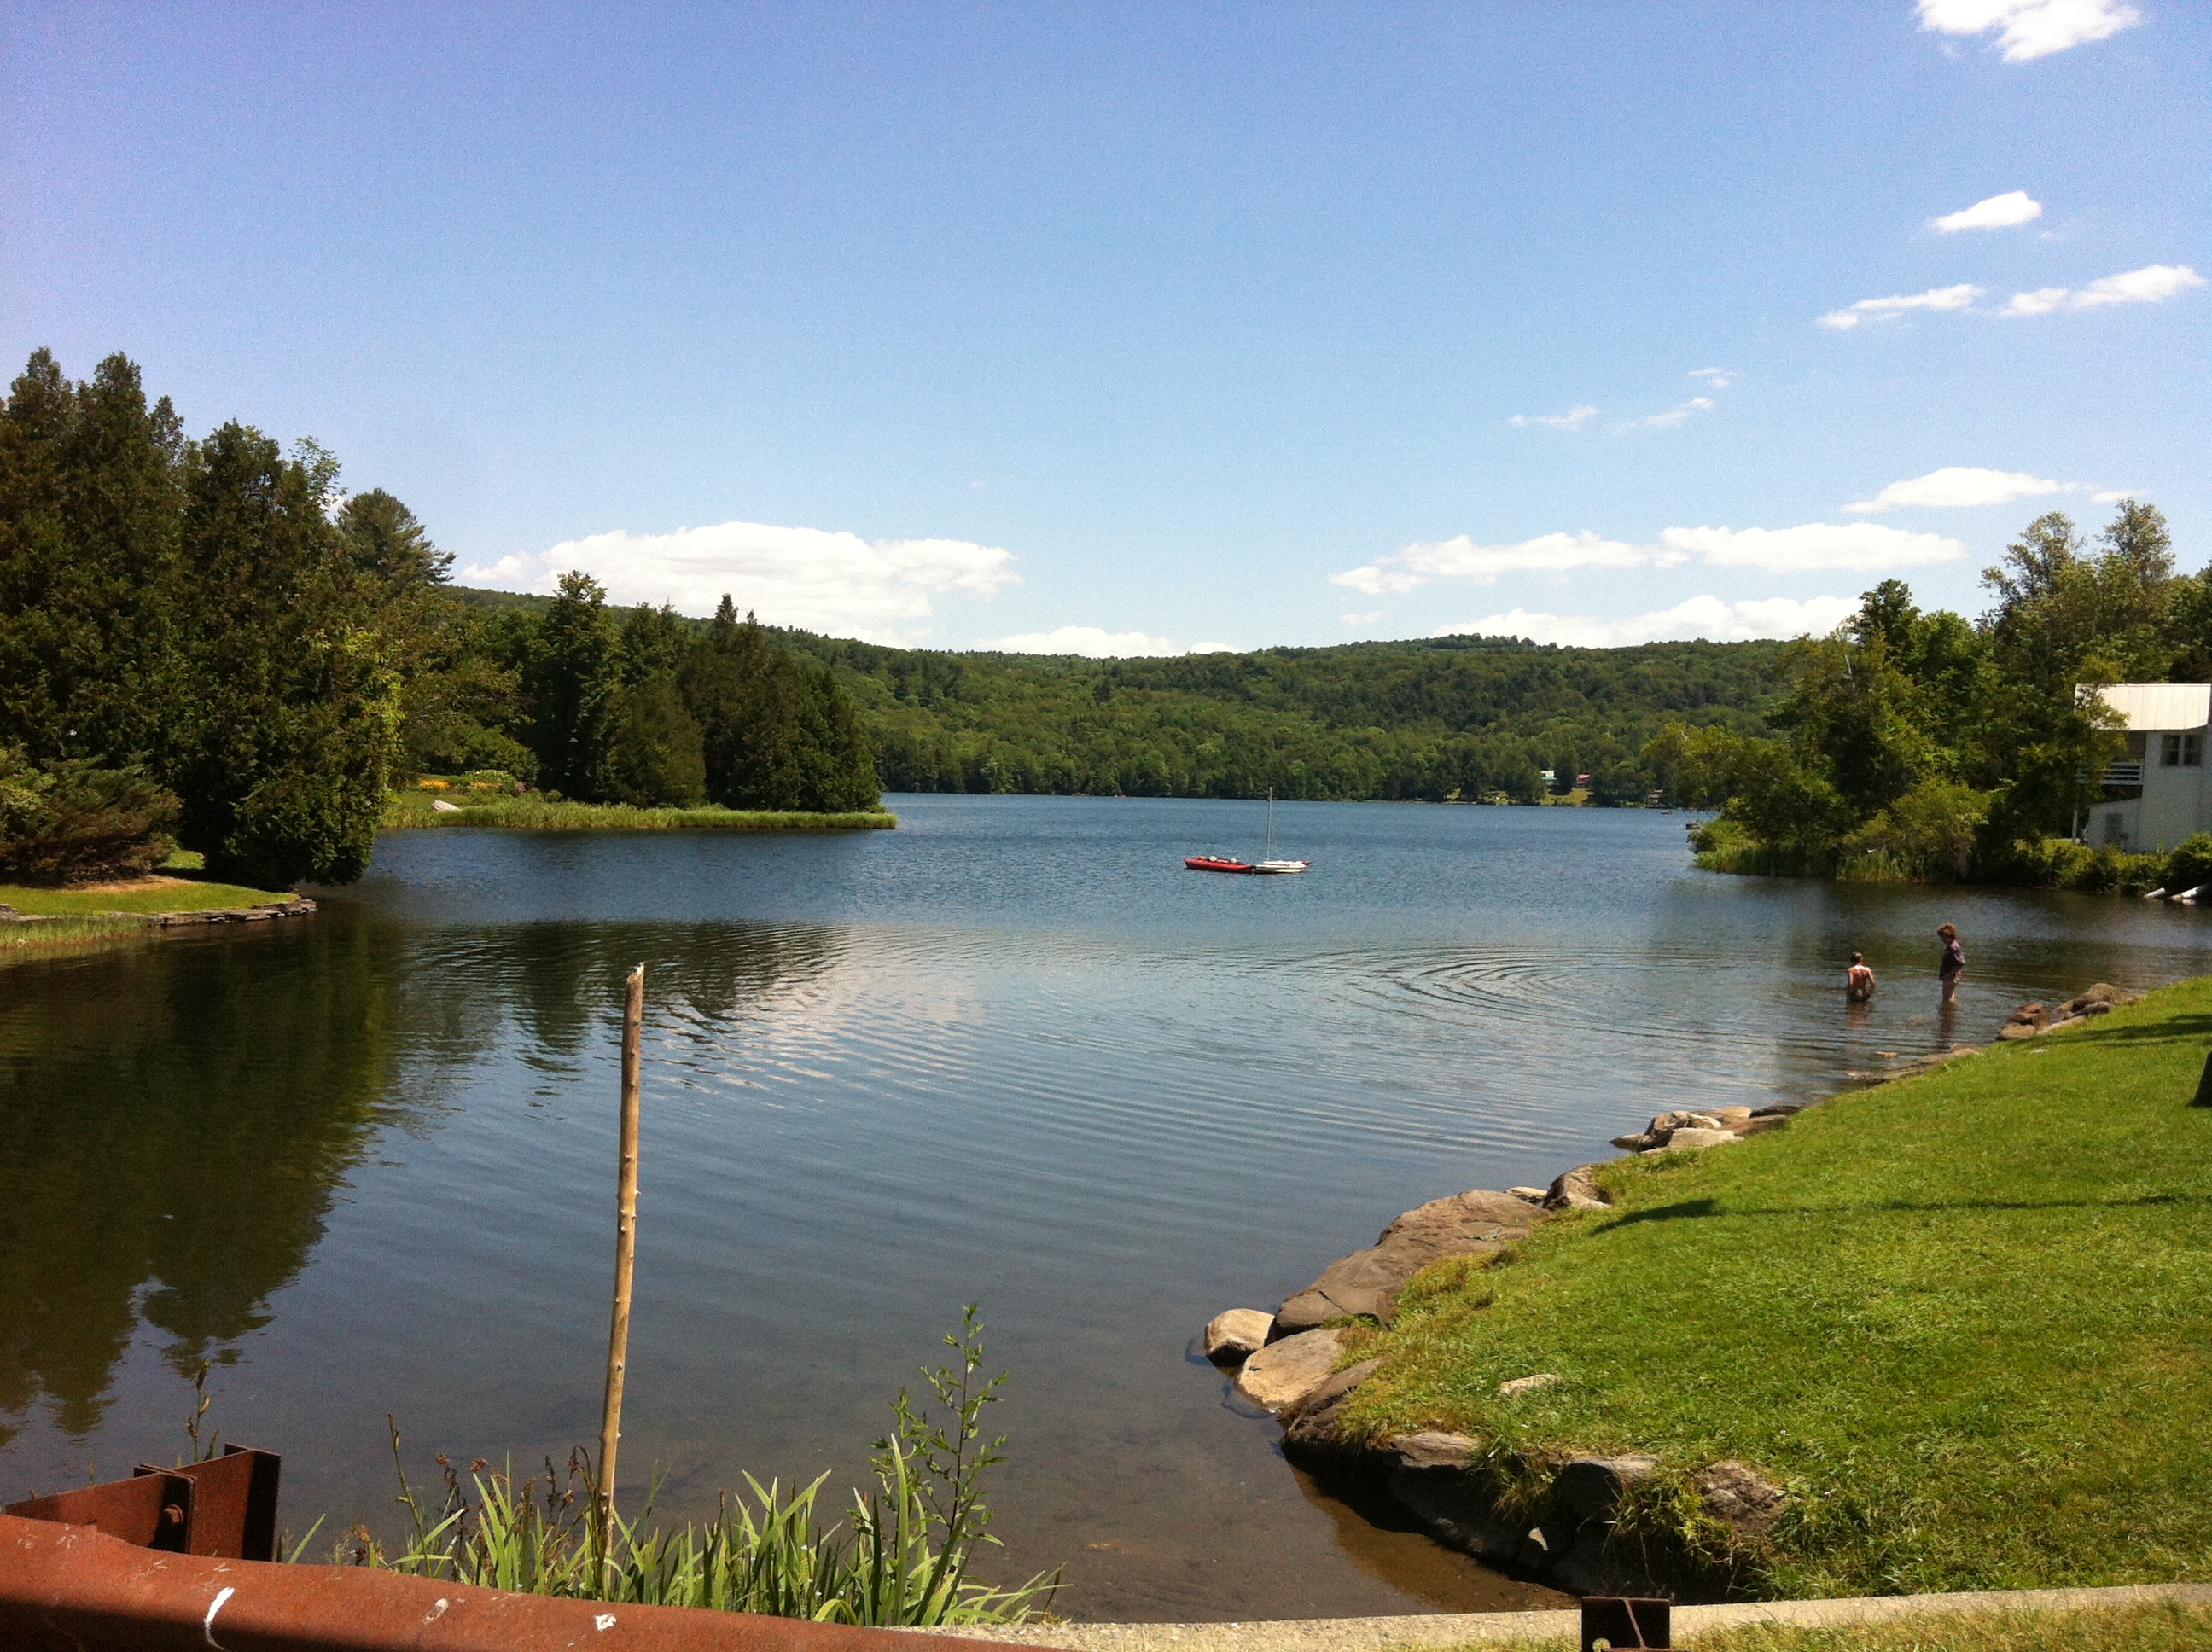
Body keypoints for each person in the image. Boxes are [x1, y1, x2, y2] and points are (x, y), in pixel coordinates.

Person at [1936, 922, 1965, 1004]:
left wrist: (1949, 974)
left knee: (1946, 999)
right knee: (1950, 995)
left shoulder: (1953, 947)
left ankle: (1947, 1014)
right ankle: (1950, 1014)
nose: (1942, 939)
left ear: (1948, 936)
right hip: (1950, 976)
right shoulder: (1951, 945)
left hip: (1951, 976)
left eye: (1943, 937)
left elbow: (1961, 962)